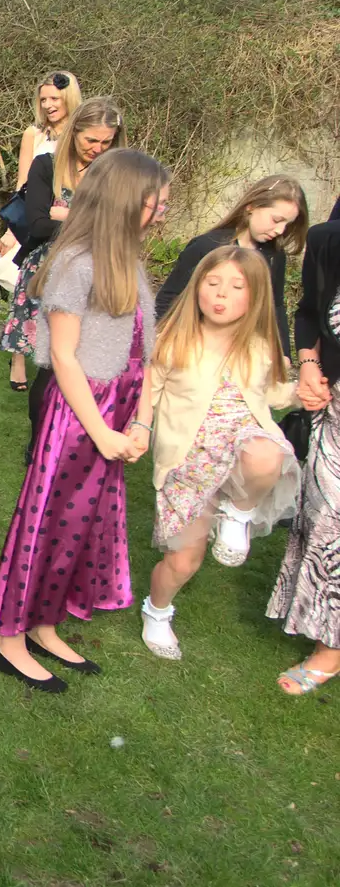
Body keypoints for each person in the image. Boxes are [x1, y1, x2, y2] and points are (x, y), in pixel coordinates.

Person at [0, 148, 171, 692]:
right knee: (45, 525)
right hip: (79, 419)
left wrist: (141, 423)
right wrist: (103, 430)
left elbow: (144, 351)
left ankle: (44, 624)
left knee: (80, 530)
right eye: (153, 203)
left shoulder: (127, 261)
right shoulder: (74, 263)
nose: (160, 212)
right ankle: (9, 639)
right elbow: (63, 357)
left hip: (115, 416)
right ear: (123, 202)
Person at [141, 246, 298, 660]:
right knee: (183, 562)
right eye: (212, 284)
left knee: (267, 452)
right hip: (187, 464)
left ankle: (239, 513)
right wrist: (137, 431)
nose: (220, 295)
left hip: (242, 448)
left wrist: (309, 391)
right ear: (197, 288)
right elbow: (147, 394)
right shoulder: (173, 340)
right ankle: (156, 613)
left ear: (255, 296)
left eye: (235, 286)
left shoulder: (262, 346)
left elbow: (278, 393)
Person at [0, 98, 125, 395]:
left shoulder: (114, 173)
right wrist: (92, 218)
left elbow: (120, 224)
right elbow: (39, 225)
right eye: (91, 140)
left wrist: (62, 213)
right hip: (47, 266)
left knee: (73, 356)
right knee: (45, 353)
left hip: (94, 270)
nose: (97, 148)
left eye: (106, 142)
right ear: (74, 132)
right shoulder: (47, 165)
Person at [272, 218, 340, 695]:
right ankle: (330, 645)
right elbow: (311, 312)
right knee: (328, 519)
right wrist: (310, 363)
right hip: (335, 406)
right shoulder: (327, 240)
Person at [154, 175, 308, 365]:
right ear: (251, 206)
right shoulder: (207, 246)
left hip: (242, 356)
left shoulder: (275, 256)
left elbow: (275, 306)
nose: (280, 230)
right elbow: (169, 298)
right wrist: (159, 346)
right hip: (195, 351)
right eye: (276, 219)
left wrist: (282, 353)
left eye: (288, 224)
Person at [15, 71, 82, 191]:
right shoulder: (33, 134)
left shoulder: (83, 133)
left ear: (69, 98)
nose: (47, 105)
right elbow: (22, 182)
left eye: (54, 98)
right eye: (43, 100)